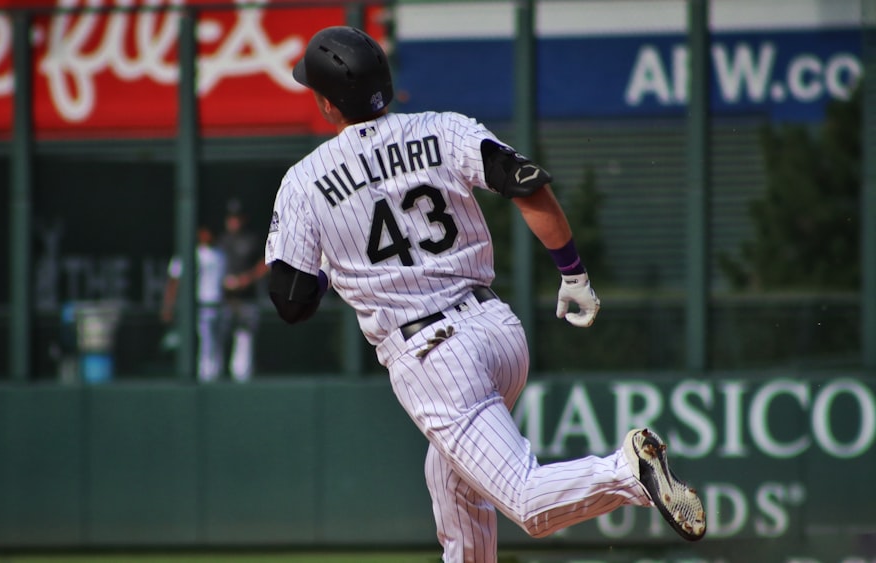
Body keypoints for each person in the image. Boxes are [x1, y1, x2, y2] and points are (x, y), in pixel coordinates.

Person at [264, 26, 706, 562]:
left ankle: (629, 474)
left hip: (431, 355)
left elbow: (292, 301)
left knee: (526, 501)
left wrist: (337, 266)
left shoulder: (305, 181)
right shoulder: (443, 129)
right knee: (451, 479)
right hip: (498, 333)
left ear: (327, 104)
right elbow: (524, 182)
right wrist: (573, 276)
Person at [162, 226, 228, 382]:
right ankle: (205, 376)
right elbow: (174, 281)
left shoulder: (220, 254)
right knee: (204, 343)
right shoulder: (188, 254)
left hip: (218, 304)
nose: (207, 235)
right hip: (199, 305)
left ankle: (216, 375)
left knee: (217, 344)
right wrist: (168, 305)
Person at [218, 200, 268, 382]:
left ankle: (242, 379)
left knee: (244, 339)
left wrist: (248, 278)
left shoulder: (251, 239)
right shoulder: (221, 240)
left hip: (247, 298)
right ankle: (212, 377)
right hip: (223, 298)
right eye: (231, 217)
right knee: (216, 339)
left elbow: (267, 262)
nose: (234, 221)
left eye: (237, 218)